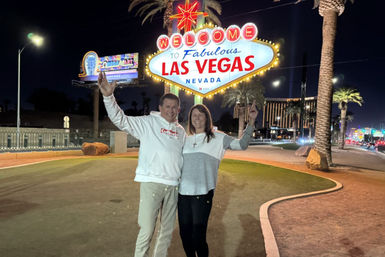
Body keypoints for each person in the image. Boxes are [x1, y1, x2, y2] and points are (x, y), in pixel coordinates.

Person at [97, 71, 186, 257]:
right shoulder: (148, 123)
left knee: (166, 231)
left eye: (174, 107)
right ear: (160, 107)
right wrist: (108, 97)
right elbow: (121, 120)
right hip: (152, 183)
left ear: (179, 109)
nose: (171, 110)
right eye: (167, 106)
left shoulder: (181, 132)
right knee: (147, 229)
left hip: (173, 186)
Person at [178, 102, 257, 257]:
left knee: (198, 237)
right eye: (194, 115)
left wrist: (252, 121)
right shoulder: (185, 140)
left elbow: (241, 145)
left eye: (201, 114)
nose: (197, 118)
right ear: (190, 119)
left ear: (207, 118)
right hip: (182, 195)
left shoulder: (218, 138)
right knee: (185, 236)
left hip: (202, 194)